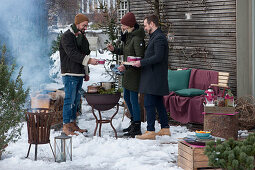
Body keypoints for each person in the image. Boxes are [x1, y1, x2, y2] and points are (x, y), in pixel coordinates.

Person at [132, 15, 171, 140]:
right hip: (154, 75)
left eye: (145, 25)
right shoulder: (155, 37)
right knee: (158, 102)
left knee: (148, 103)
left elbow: (158, 57)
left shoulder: (159, 38)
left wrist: (141, 63)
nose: (144, 28)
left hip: (155, 76)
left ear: (152, 24)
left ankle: (150, 131)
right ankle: (165, 128)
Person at [107, 12, 145, 137]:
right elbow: (125, 51)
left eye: (123, 25)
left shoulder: (137, 38)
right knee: (127, 99)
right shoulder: (129, 36)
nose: (122, 27)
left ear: (129, 25)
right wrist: (114, 50)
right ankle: (133, 122)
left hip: (134, 73)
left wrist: (126, 65)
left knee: (134, 100)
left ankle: (137, 126)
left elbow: (139, 57)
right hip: (127, 72)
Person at [59, 13, 98, 136]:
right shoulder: (68, 36)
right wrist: (89, 61)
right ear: (77, 24)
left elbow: (84, 53)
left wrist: (85, 72)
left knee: (76, 101)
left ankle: (72, 124)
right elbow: (73, 54)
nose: (85, 28)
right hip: (70, 73)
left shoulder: (80, 37)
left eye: (86, 26)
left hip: (79, 73)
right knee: (69, 100)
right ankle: (66, 125)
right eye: (84, 25)